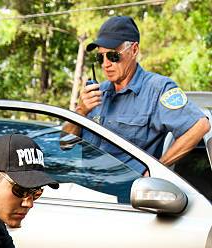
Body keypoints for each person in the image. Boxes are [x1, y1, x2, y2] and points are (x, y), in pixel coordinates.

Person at [64, 16, 209, 174]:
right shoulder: (97, 93)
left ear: (134, 50)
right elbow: (65, 145)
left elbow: (200, 126)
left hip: (126, 194)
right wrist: (80, 112)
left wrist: (156, 169)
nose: (106, 64)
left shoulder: (157, 89)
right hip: (85, 190)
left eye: (113, 56)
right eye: (100, 57)